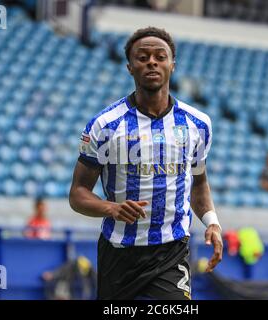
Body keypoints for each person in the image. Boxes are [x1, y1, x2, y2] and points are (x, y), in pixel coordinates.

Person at [69, 27, 223, 300]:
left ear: (172, 65)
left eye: (159, 56)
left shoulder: (197, 124)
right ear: (130, 67)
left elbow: (199, 182)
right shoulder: (105, 126)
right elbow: (78, 194)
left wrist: (212, 222)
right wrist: (112, 208)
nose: (151, 61)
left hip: (171, 250)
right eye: (142, 57)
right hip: (119, 253)